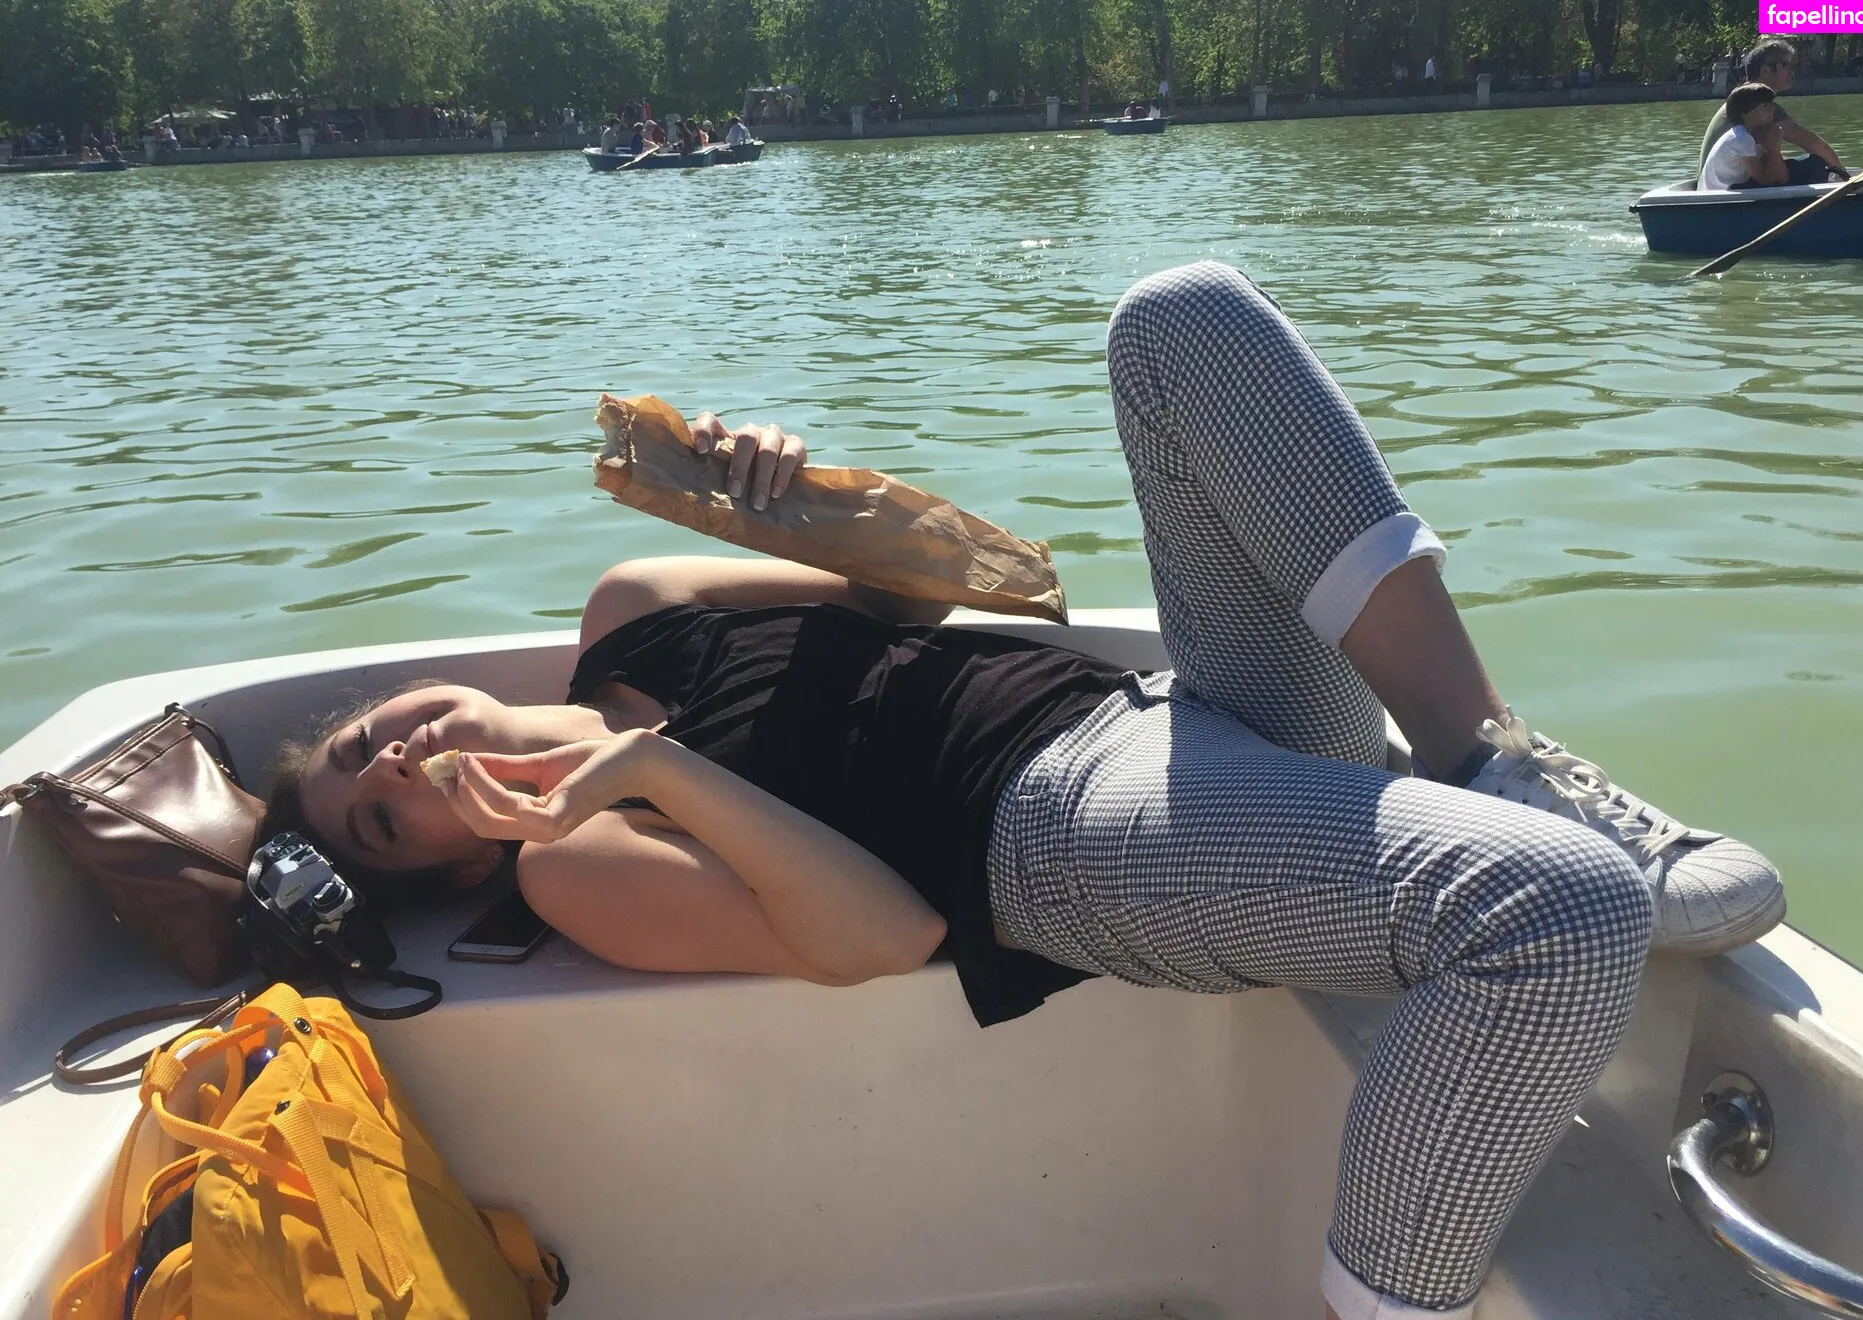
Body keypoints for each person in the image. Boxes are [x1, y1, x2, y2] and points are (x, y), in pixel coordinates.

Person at [275, 263, 1784, 1320]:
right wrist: (655, 771)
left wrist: (781, 503)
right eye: (385, 818)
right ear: (456, 868)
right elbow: (882, 933)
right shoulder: (575, 863)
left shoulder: (629, 607)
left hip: (1171, 713)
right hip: (1061, 837)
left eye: (363, 747)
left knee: (1179, 321)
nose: (393, 765)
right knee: (1556, 915)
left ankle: (1483, 753)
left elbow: (956, 589)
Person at [1697, 39, 1846, 185]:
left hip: (1715, 182)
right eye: (1787, 66)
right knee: (1815, 164)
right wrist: (1844, 175)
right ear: (1765, 70)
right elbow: (1814, 144)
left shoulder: (1741, 100)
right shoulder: (1757, 107)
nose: (1792, 71)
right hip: (1730, 187)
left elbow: (1767, 155)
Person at [1699, 83, 1788, 190]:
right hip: (1720, 195)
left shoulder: (1754, 135)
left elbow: (1782, 178)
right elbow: (1768, 181)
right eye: (1765, 106)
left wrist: (1773, 150)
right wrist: (1774, 148)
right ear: (1746, 113)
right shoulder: (1741, 139)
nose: (1772, 109)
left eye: (1771, 105)